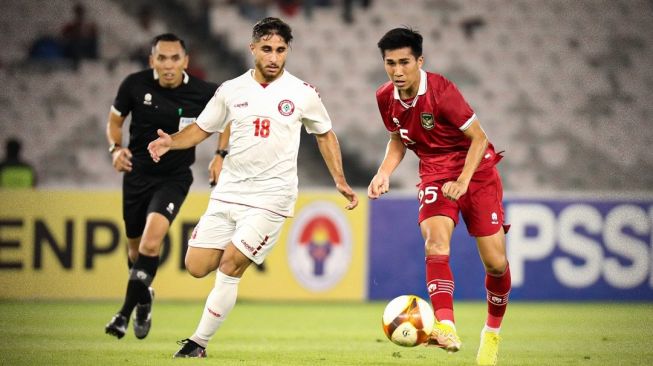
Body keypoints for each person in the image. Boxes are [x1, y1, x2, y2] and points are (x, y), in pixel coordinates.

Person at [146, 17, 359, 358]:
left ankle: (197, 343)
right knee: (197, 266)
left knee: (230, 265)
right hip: (229, 192)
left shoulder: (303, 93)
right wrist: (169, 142)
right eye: (267, 49)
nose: (274, 57)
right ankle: (209, 315)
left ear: (287, 51)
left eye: (280, 50)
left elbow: (324, 134)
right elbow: (202, 128)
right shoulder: (231, 90)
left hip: (272, 196)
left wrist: (339, 180)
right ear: (253, 49)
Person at [368, 28, 511, 366]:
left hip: (475, 172)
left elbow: (479, 138)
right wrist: (383, 172)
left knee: (495, 263)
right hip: (434, 172)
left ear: (420, 61)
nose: (398, 70)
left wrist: (462, 181)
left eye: (405, 62)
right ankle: (445, 325)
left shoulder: (443, 92)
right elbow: (398, 139)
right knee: (435, 243)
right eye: (390, 63)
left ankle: (491, 334)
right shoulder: (384, 97)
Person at [104, 33, 229, 340]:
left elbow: (228, 120)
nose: (168, 65)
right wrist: (115, 149)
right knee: (135, 253)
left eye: (175, 58)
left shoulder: (203, 91)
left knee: (150, 243)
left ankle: (123, 315)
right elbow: (115, 122)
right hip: (136, 175)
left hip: (174, 178)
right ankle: (144, 296)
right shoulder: (134, 84)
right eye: (162, 58)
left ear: (186, 62)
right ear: (152, 61)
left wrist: (220, 155)